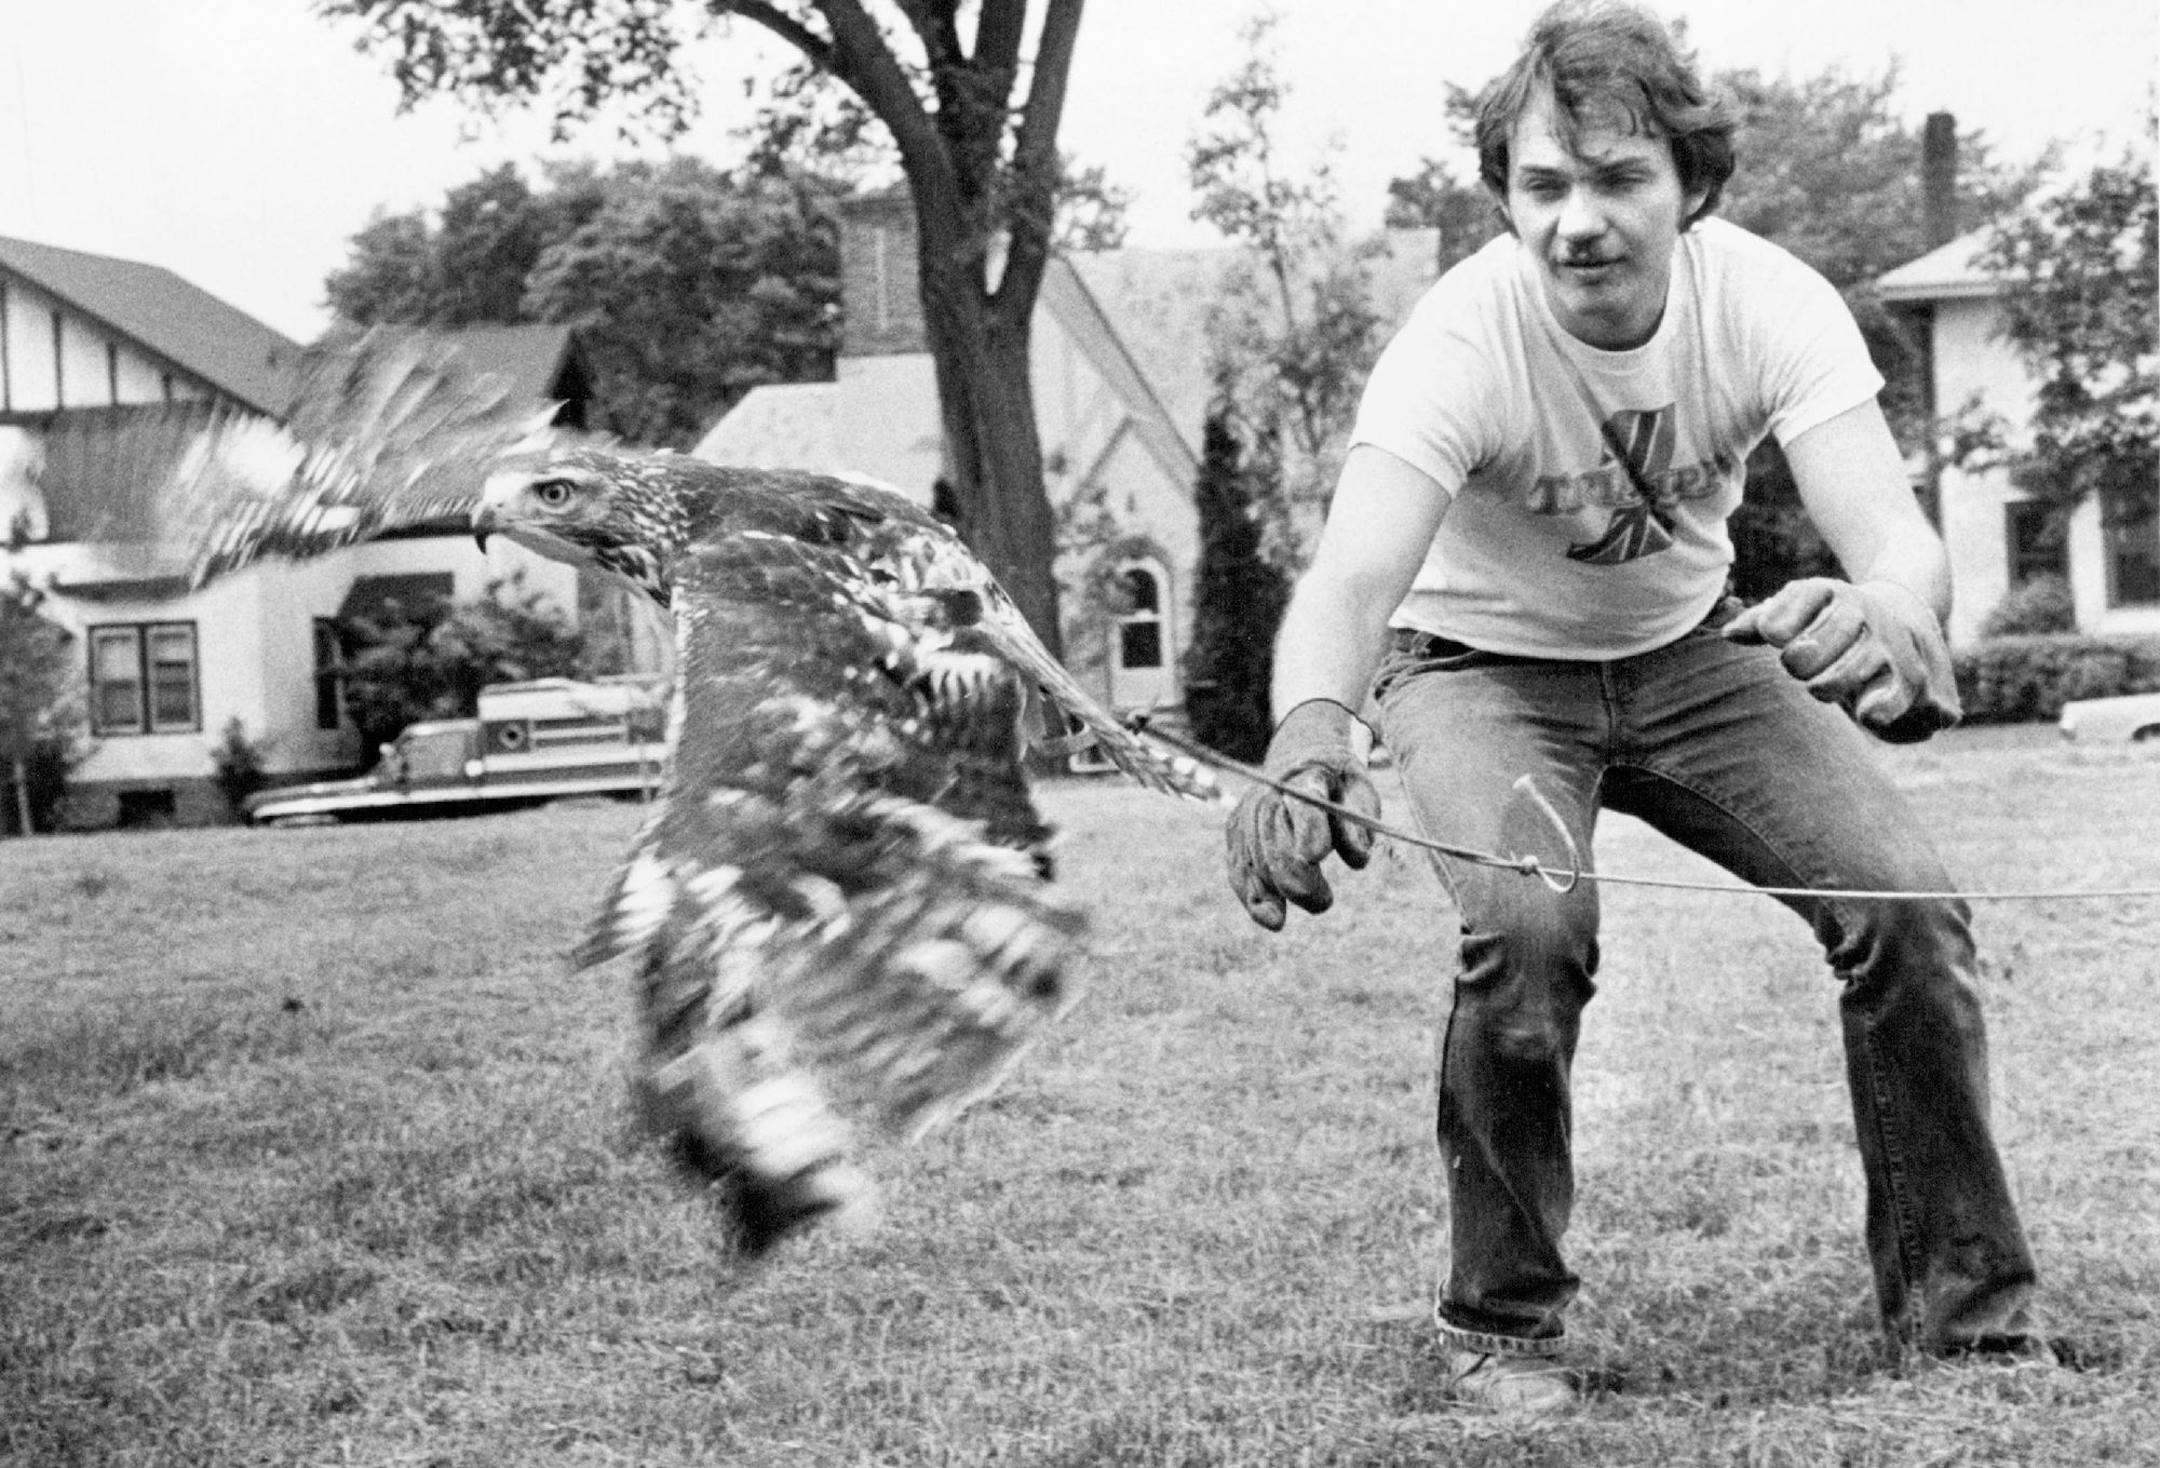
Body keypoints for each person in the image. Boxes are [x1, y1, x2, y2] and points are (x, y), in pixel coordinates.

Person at [1223, 0, 2049, 1417]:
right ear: (1504, 195)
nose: (1578, 223)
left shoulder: (1770, 303)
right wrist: (1309, 730)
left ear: (1692, 186)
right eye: (1542, 185)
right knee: (1530, 925)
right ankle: (1504, 1328)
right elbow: (1352, 579)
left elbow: (1897, 543)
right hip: (1476, 669)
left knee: (1906, 907)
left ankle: (1963, 1320)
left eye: (1618, 179)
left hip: (1689, 653)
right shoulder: (1458, 339)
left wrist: (1889, 612)